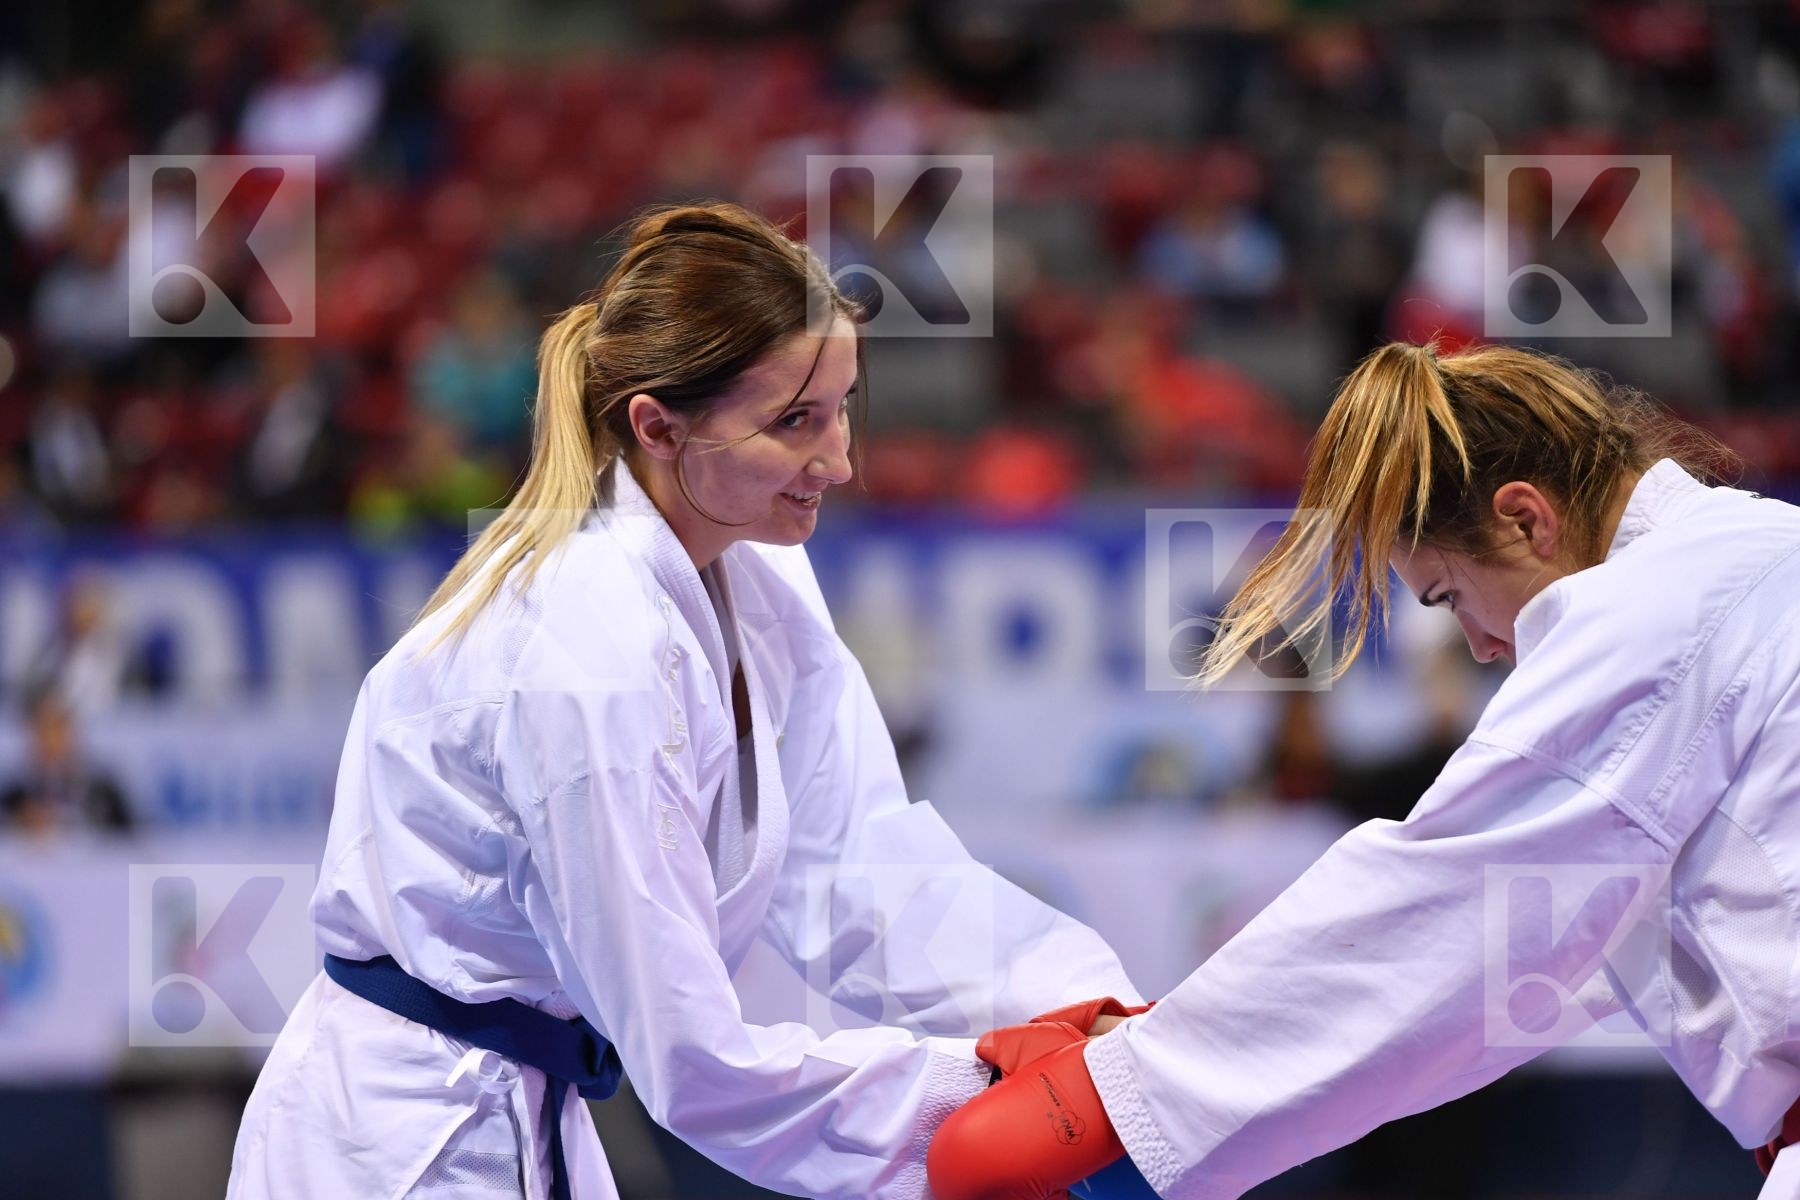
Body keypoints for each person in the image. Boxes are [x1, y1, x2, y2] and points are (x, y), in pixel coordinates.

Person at [226, 202, 1143, 1200]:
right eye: (794, 421)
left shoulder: (756, 565)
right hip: (394, 1142)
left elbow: (854, 866)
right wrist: (988, 1091)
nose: (839, 458)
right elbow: (691, 1058)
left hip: (523, 1109)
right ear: (658, 427)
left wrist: (1084, 1014)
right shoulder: (589, 650)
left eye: (842, 408)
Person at [927, 340, 1800, 1199]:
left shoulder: (1660, 608)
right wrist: (1169, 1044)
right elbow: (1518, 961)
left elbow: (1454, 906)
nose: (1485, 646)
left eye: (1450, 597)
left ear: (1528, 518)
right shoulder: (1752, 561)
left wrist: (1116, 1097)